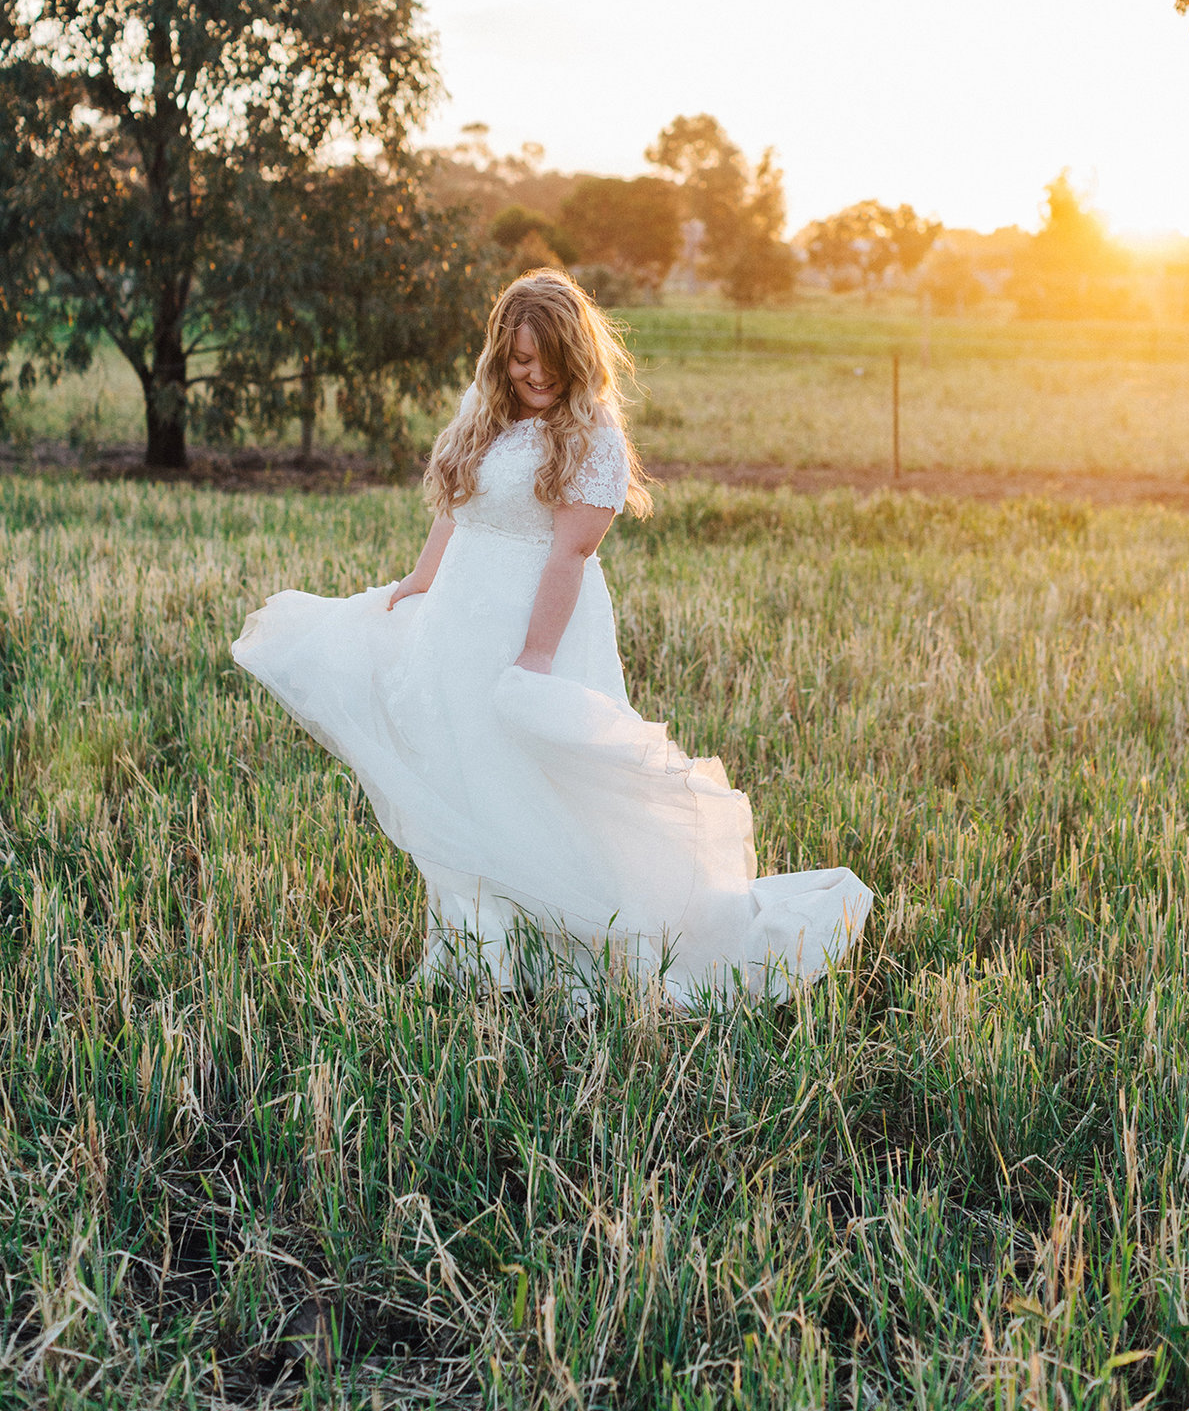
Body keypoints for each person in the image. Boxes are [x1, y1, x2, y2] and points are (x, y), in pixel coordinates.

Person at [233, 269, 873, 1003]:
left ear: (575, 353)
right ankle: (480, 957)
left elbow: (570, 554)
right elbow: (457, 503)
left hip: (537, 629)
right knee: (464, 778)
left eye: (545, 360)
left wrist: (534, 663)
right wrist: (419, 581)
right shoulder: (488, 409)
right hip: (459, 624)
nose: (531, 374)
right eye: (517, 358)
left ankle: (571, 958)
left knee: (535, 786)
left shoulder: (593, 433)